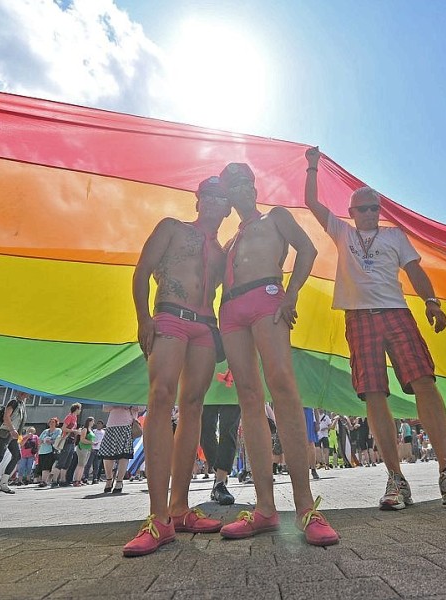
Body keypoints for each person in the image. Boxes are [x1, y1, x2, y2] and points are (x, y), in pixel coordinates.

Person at [304, 147, 446, 509]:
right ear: (351, 212)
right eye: (362, 208)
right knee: (373, 392)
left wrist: (433, 302)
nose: (369, 213)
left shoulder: (395, 237)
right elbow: (311, 202)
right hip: (359, 316)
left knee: (424, 381)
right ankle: (396, 479)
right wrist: (312, 167)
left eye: (374, 207)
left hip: (397, 312)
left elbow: (415, 270)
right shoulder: (341, 231)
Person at [216, 162, 339, 547]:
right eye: (231, 185)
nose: (240, 189)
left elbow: (308, 248)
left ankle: (305, 507)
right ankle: (265, 509)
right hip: (231, 311)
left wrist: (293, 292)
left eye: (243, 181)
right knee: (249, 399)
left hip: (268, 295)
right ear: (228, 194)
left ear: (253, 185)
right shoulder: (231, 239)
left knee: (283, 386)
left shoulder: (276, 217)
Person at [123, 176, 232, 557]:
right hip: (168, 315)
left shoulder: (222, 251)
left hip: (205, 327)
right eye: (212, 195)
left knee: (193, 408)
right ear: (199, 199)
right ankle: (158, 518)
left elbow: (230, 295)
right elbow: (141, 271)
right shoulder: (171, 227)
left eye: (224, 197)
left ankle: (180, 508)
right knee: (160, 397)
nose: (218, 202)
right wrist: (143, 319)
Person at [200, 403, 240, 505]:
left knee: (229, 428)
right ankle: (219, 477)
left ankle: (220, 482)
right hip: (206, 389)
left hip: (232, 388)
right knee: (205, 428)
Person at [99, 405, 141, 494]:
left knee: (124, 455)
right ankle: (109, 480)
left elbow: (141, 407)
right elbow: (105, 407)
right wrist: (118, 404)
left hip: (127, 425)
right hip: (111, 425)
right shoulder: (113, 392)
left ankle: (119, 481)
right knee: (107, 455)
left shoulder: (135, 392)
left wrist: (129, 405)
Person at [49, 402, 81, 487]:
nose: (80, 411)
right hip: (66, 440)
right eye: (79, 409)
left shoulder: (75, 417)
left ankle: (63, 480)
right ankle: (54, 480)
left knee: (67, 461)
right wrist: (74, 431)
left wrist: (76, 432)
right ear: (77, 409)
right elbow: (63, 428)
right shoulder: (69, 416)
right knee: (62, 460)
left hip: (71, 440)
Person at [37, 417, 61, 487]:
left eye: (53, 422)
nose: (51, 423)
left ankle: (45, 481)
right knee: (44, 467)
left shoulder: (58, 430)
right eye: (50, 422)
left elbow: (58, 439)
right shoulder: (45, 431)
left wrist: (51, 441)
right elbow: (39, 440)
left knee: (49, 467)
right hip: (43, 450)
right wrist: (42, 441)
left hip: (52, 450)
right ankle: (44, 481)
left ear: (56, 423)